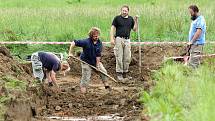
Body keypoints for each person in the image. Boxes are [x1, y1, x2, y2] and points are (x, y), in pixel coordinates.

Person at [69, 27, 110, 93]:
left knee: (103, 71)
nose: (96, 37)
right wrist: (70, 53)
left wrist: (97, 66)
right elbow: (74, 42)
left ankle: (107, 87)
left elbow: (98, 55)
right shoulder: (86, 42)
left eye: (97, 36)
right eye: (94, 36)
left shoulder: (99, 43)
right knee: (86, 76)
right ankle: (83, 92)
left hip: (94, 61)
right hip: (85, 61)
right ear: (91, 36)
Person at [110, 5, 138, 81]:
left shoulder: (130, 19)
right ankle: (119, 74)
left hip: (127, 40)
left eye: (126, 11)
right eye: (123, 10)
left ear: (128, 11)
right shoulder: (117, 18)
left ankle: (125, 73)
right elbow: (112, 28)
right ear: (121, 11)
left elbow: (134, 29)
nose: (124, 12)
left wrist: (135, 21)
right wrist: (112, 38)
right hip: (119, 39)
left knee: (127, 57)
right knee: (119, 56)